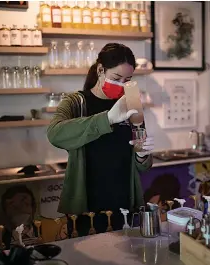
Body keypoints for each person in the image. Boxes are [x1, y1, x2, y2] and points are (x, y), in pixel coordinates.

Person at [47, 43, 154, 237]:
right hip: (86, 206)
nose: (122, 84)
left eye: (127, 79)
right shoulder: (75, 103)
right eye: (116, 78)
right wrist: (108, 119)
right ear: (100, 70)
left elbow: (143, 165)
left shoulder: (130, 104)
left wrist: (143, 154)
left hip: (123, 204)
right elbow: (55, 134)